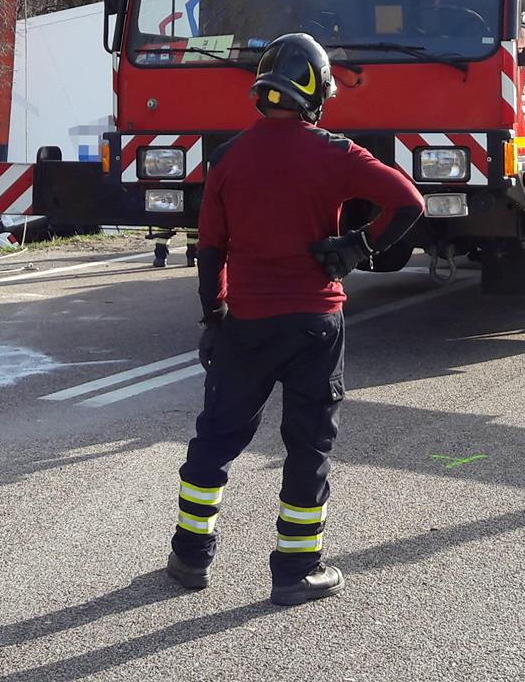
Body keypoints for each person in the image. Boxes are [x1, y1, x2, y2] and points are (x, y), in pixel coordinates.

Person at [168, 33, 423, 607]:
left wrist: (214, 316)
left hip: (245, 323)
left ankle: (190, 556)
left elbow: (210, 249)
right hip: (315, 322)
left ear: (263, 91)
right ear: (317, 93)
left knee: (217, 437)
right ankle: (296, 570)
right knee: (308, 444)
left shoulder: (227, 157)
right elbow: (409, 201)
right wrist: (358, 246)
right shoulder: (336, 153)